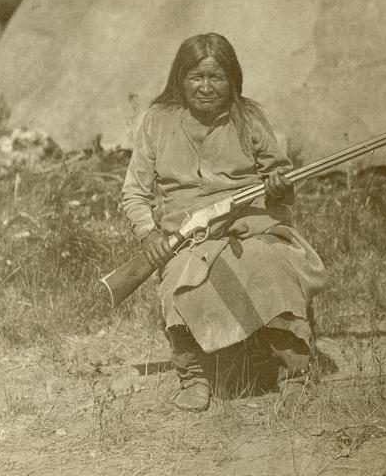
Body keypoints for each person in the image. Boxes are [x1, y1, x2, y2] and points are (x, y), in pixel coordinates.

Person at [122, 33, 328, 412]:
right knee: (182, 279)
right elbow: (134, 192)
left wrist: (280, 188)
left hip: (250, 225)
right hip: (187, 235)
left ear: (232, 79)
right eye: (195, 77)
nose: (205, 87)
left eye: (215, 77)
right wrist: (148, 233)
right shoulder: (157, 120)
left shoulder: (249, 117)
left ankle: (295, 371)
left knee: (269, 265)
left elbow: (280, 180)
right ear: (179, 79)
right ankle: (194, 376)